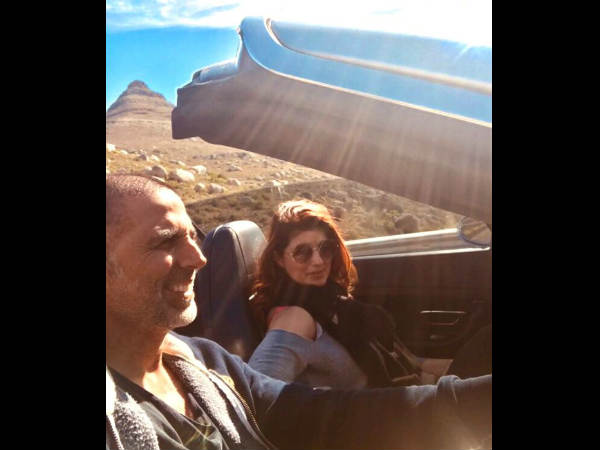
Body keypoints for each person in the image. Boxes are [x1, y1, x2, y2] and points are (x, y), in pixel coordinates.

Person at [106, 174, 492, 450]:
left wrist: (471, 402)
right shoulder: (292, 321)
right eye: (165, 242)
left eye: (193, 236)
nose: (199, 258)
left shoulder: (206, 363)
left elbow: (320, 413)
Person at [248, 199, 491, 387]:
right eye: (302, 252)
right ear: (279, 258)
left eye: (325, 248)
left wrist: (443, 370)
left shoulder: (330, 301)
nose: (318, 261)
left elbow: (403, 363)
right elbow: (256, 395)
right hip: (386, 421)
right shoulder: (294, 319)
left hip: (406, 397)